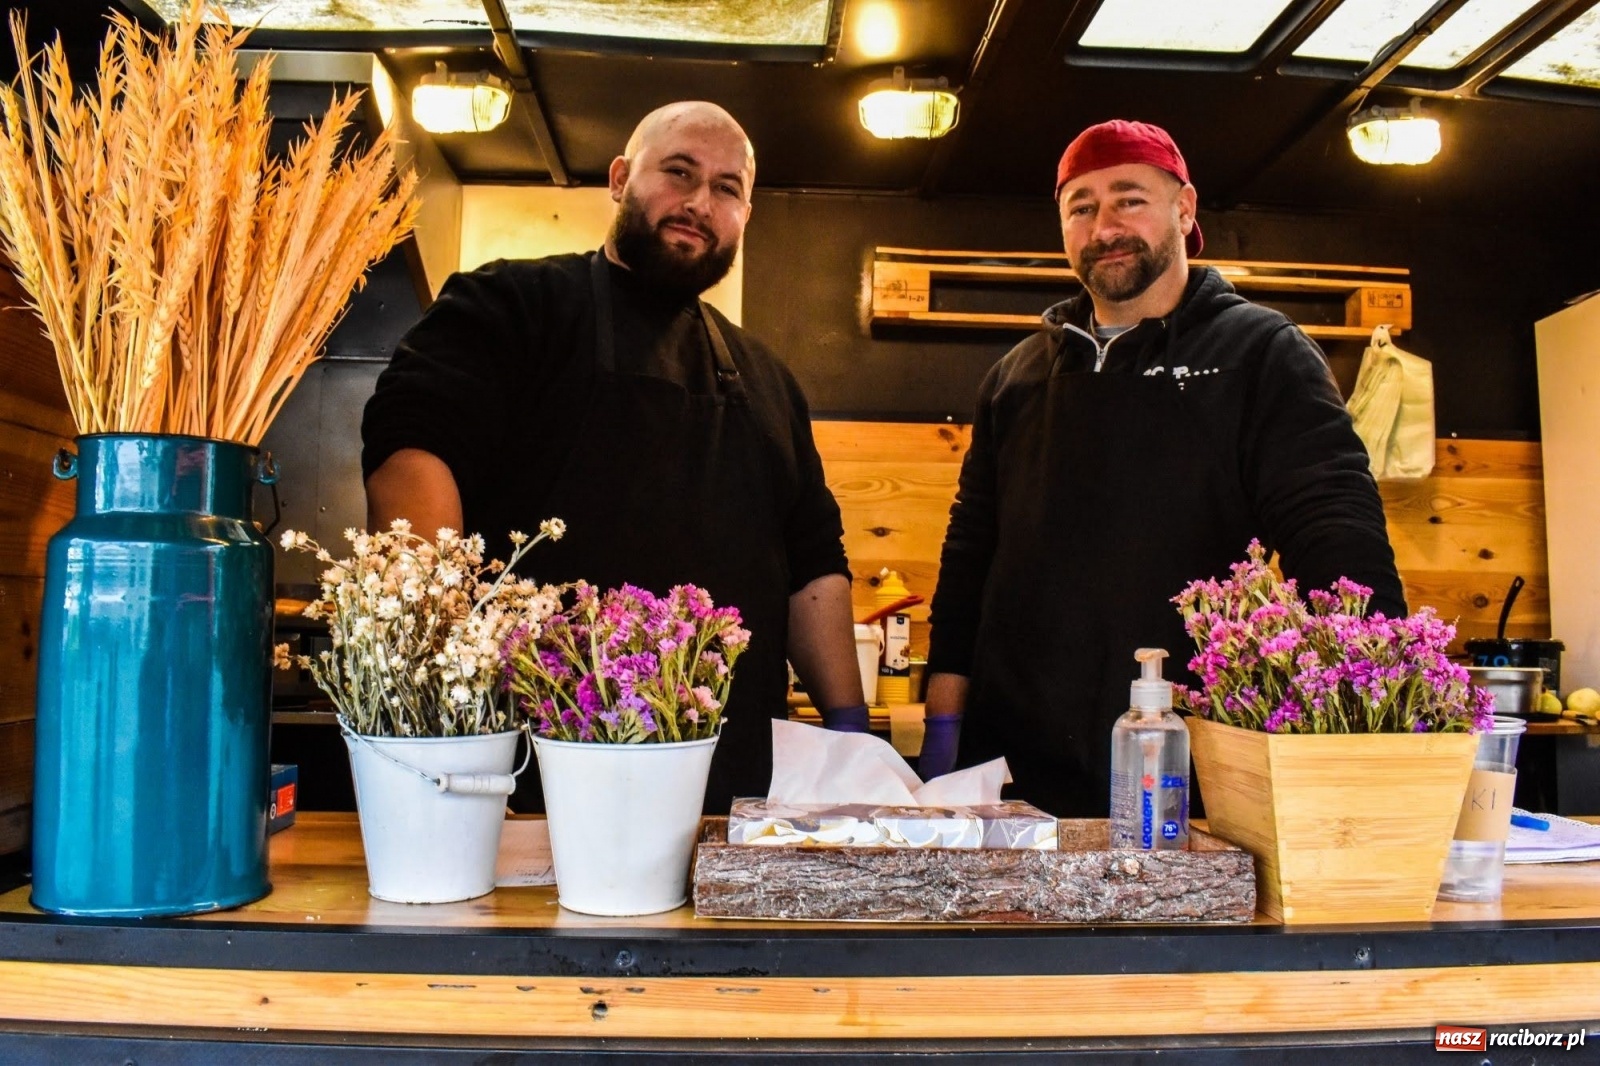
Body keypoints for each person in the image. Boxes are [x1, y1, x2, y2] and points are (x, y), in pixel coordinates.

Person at [361, 101, 868, 811]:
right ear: (621, 178)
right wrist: (443, 698)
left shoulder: (768, 378)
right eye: (679, 172)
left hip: (727, 785)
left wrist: (852, 731)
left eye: (727, 189)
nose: (699, 202)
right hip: (530, 774)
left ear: (745, 215)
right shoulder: (510, 304)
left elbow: (814, 563)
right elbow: (411, 452)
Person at [919, 119, 1406, 816]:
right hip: (1012, 763)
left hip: (1192, 757)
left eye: (1129, 198)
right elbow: (970, 554)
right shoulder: (1014, 378)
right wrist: (944, 723)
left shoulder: (1260, 351)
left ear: (1185, 209)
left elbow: (1335, 532)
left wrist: (1373, 707)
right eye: (1080, 207)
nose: (1104, 224)